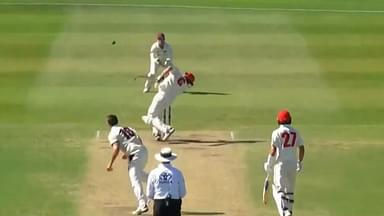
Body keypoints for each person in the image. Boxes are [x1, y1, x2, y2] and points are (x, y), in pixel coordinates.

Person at [105, 114, 149, 215]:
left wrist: (110, 164)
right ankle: (157, 180)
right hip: (143, 151)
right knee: (139, 175)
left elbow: (116, 149)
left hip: (135, 154)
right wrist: (126, 153)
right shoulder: (128, 128)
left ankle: (143, 204)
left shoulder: (112, 133)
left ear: (108, 123)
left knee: (134, 179)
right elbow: (138, 140)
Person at [263, 110, 305, 216]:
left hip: (281, 165)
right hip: (292, 165)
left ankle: (284, 213)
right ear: (290, 119)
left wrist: (269, 164)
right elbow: (302, 148)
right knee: (289, 192)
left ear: (278, 120)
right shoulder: (296, 131)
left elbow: (273, 151)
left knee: (278, 190)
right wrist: (299, 162)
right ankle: (289, 212)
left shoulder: (276, 133)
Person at [141, 65, 195, 141]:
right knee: (156, 116)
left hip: (161, 96)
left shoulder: (178, 73)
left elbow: (169, 67)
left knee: (150, 116)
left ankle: (167, 129)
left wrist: (160, 77)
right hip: (167, 101)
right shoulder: (183, 87)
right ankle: (157, 133)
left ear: (185, 76)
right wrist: (161, 79)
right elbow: (171, 81)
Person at [146, 147, 186, 216]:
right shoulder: (177, 172)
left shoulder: (154, 173)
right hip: (174, 203)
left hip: (159, 203)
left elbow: (149, 194)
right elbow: (182, 193)